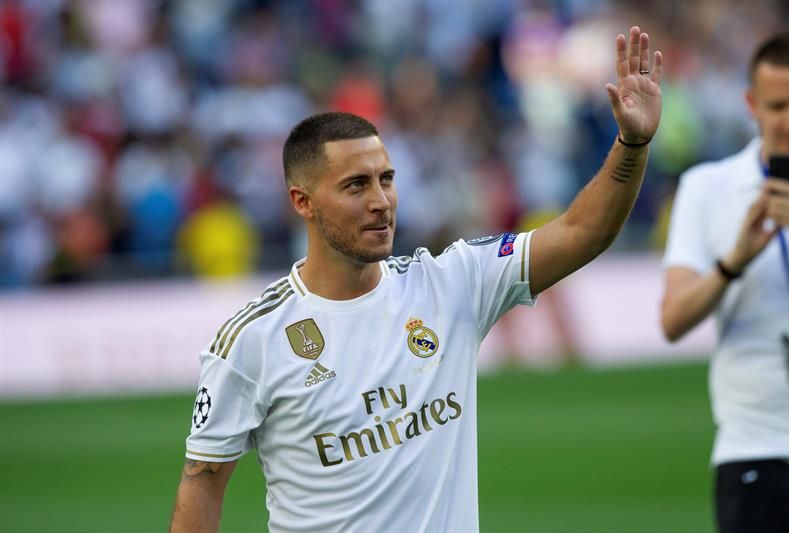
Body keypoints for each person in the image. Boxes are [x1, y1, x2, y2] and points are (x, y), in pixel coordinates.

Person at [170, 26, 663, 533]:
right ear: (303, 203)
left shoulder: (452, 281)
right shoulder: (253, 339)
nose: (381, 200)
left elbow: (585, 230)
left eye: (386, 179)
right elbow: (203, 481)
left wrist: (633, 142)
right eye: (356, 185)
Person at [660, 32, 789, 533]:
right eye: (778, 105)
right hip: (754, 448)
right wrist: (733, 261)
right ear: (750, 104)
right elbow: (673, 320)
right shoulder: (709, 186)